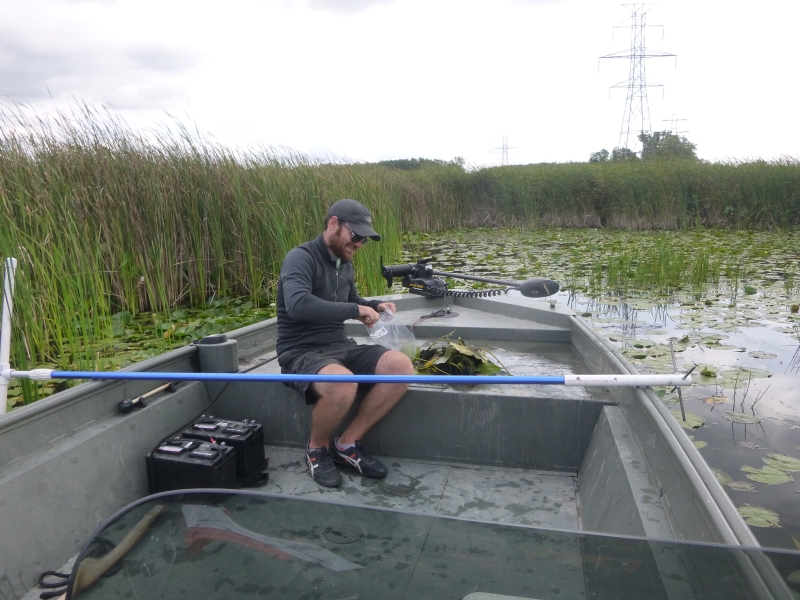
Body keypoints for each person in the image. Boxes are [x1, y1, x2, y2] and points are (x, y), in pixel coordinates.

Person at [276, 199, 414, 488]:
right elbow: (298, 305)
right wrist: (355, 311)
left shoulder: (344, 264)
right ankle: (317, 449)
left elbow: (350, 301)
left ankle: (347, 444)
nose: (360, 244)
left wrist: (374, 305)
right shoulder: (300, 258)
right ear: (333, 224)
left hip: (340, 345)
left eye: (365, 239)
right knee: (343, 382)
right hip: (301, 351)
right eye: (357, 236)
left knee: (400, 366)